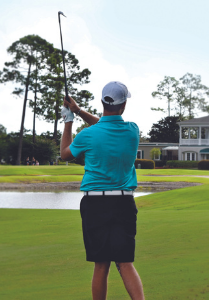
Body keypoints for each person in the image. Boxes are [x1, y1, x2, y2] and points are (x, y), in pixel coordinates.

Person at [60, 81, 145, 300]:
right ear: (123, 105)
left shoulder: (89, 135)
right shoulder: (132, 131)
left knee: (101, 265)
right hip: (124, 203)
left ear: (102, 101)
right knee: (125, 262)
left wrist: (69, 120)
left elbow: (65, 154)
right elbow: (106, 124)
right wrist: (78, 111)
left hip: (95, 204)